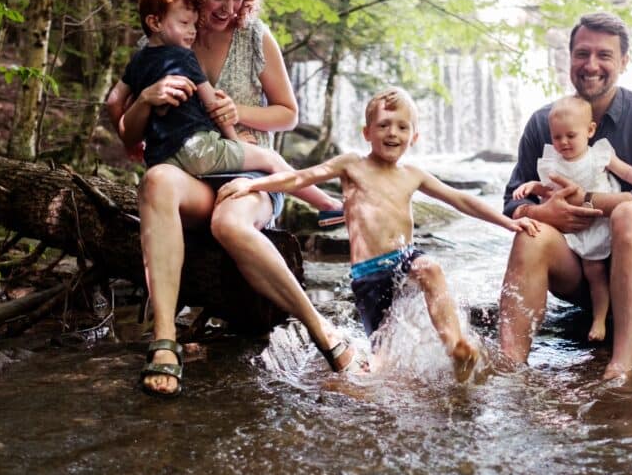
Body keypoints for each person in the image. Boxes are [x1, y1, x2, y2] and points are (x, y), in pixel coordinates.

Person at [105, 0, 362, 397]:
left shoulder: (254, 36)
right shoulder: (170, 33)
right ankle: (165, 340)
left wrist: (235, 112)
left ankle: (321, 330)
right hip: (192, 173)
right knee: (158, 180)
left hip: (254, 174)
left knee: (229, 221)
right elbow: (127, 131)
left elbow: (288, 113)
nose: (227, 9)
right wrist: (145, 99)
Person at [217, 86, 542, 381]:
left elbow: (460, 199)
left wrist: (509, 223)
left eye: (402, 127)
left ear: (414, 137)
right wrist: (253, 183)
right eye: (384, 125)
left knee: (429, 268)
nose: (393, 133)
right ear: (367, 132)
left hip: (403, 259)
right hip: (368, 276)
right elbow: (300, 178)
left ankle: (456, 347)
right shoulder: (352, 165)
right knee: (381, 369)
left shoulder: (412, 174)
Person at [499, 12, 632, 380]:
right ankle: (509, 369)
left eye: (604, 55)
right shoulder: (544, 122)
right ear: (569, 58)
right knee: (530, 233)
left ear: (623, 62)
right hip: (577, 269)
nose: (591, 65)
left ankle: (621, 368)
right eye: (581, 54)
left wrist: (588, 202)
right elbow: (512, 202)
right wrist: (542, 214)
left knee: (630, 215)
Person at [110, 0, 343, 219]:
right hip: (198, 153)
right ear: (155, 22)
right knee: (272, 159)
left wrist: (130, 143)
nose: (191, 31)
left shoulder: (141, 57)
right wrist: (235, 142)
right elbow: (214, 105)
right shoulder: (183, 57)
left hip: (164, 159)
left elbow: (113, 101)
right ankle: (329, 205)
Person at [511, 95, 632, 343]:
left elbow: (626, 170)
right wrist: (529, 187)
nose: (563, 142)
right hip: (574, 230)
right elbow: (545, 189)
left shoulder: (599, 155)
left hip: (602, 221)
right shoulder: (553, 162)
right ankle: (595, 318)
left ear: (590, 130)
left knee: (607, 263)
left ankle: (608, 318)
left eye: (570, 136)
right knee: (592, 269)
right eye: (557, 137)